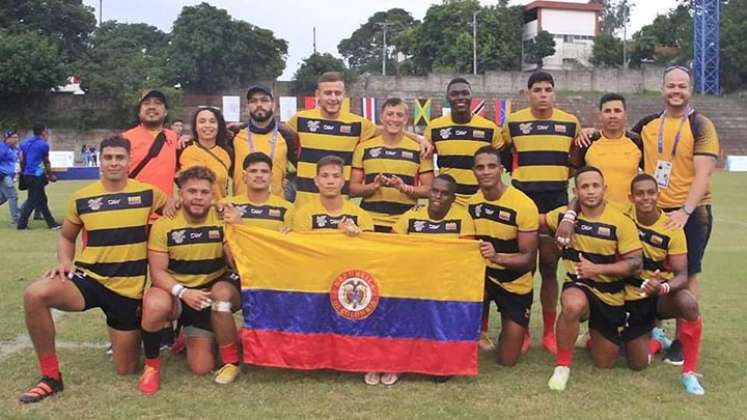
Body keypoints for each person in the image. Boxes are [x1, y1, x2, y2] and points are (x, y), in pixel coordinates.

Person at [18, 136, 166, 404]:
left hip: (127, 290)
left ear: (129, 161)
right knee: (35, 294)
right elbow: (66, 237)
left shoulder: (148, 193)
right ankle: (51, 377)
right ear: (100, 160)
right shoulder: (82, 198)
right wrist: (65, 261)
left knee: (125, 369)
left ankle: (147, 331)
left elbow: (177, 215)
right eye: (108, 157)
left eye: (119, 157)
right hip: (89, 279)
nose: (113, 162)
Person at [629, 66, 718, 365]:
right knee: (651, 270)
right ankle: (653, 330)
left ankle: (683, 339)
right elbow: (620, 143)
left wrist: (685, 211)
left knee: (688, 273)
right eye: (671, 86)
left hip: (691, 213)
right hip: (654, 213)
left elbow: (703, 173)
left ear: (690, 90)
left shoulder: (701, 125)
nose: (676, 91)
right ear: (663, 89)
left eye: (682, 86)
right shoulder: (648, 124)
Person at [138, 166, 238, 395]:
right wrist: (183, 292)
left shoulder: (223, 219)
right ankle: (151, 367)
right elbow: (158, 272)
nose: (198, 197)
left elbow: (235, 264)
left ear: (213, 196)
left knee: (202, 368)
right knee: (154, 304)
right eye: (192, 191)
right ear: (180, 194)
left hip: (206, 299)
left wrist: (235, 229)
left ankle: (194, 336)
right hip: (177, 295)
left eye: (204, 192)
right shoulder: (164, 224)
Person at [500, 71, 582, 354]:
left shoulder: (570, 124)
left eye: (548, 89)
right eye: (537, 89)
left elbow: (577, 162)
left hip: (556, 202)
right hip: (522, 202)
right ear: (528, 93)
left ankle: (549, 332)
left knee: (549, 267)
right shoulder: (512, 123)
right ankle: (520, 330)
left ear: (554, 93)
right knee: (523, 267)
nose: (543, 94)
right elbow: (500, 157)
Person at [542, 166, 642, 392]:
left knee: (605, 362)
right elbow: (529, 222)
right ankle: (562, 366)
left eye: (595, 186)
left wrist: (596, 269)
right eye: (584, 186)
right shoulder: (562, 216)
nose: (590, 191)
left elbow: (636, 264)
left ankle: (590, 338)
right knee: (572, 304)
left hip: (611, 296)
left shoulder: (621, 221)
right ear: (575, 191)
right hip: (580, 286)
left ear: (604, 189)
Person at [217, 152, 295, 385]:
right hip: (240, 275)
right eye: (254, 171)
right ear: (244, 176)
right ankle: (230, 362)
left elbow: (288, 251)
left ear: (272, 176)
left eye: (264, 171)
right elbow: (228, 251)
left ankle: (269, 345)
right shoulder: (230, 206)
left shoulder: (286, 209)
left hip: (274, 278)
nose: (259, 176)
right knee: (219, 298)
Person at [623, 173, 704, 395]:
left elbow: (682, 274)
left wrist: (663, 288)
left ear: (658, 195)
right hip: (629, 295)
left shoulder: (672, 227)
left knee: (688, 303)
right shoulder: (623, 217)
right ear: (631, 197)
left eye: (651, 193)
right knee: (637, 364)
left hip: (658, 296)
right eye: (640, 194)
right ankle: (655, 340)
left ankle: (689, 373)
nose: (645, 198)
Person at [467, 146, 539, 366]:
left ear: (501, 169)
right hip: (485, 279)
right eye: (480, 167)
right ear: (474, 172)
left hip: (515, 283)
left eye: (491, 166)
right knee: (461, 290)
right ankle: (473, 332)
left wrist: (497, 257)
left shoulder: (523, 205)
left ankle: (515, 327)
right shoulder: (472, 204)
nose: (486, 172)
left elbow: (528, 260)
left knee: (507, 360)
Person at [285, 72, 378, 207]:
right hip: (304, 208)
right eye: (328, 93)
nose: (333, 98)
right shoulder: (299, 120)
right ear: (317, 95)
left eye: (337, 93)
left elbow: (389, 131)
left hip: (339, 209)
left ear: (344, 95)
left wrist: (419, 138)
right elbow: (277, 138)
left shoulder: (358, 124)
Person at [350, 97, 434, 232]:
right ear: (381, 118)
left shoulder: (420, 149)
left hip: (405, 222)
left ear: (406, 119)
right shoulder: (363, 148)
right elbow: (352, 188)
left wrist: (404, 188)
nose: (394, 119)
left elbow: (429, 190)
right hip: (369, 221)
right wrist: (373, 186)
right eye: (390, 114)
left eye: (399, 115)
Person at [424, 78, 504, 206]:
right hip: (449, 203)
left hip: (481, 202)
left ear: (471, 96)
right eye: (454, 94)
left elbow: (501, 164)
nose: (460, 97)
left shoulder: (490, 128)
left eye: (465, 93)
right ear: (447, 98)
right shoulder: (434, 128)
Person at [569, 93, 642, 213]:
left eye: (617, 111)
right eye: (607, 111)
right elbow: (574, 178)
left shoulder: (637, 141)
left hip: (630, 215)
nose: (612, 115)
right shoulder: (587, 141)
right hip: (596, 215)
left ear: (625, 115)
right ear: (600, 115)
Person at [231, 84, 293, 199]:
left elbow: (303, 165)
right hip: (241, 208)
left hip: (275, 210)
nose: (259, 105)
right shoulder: (234, 134)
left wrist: (290, 182)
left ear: (273, 105)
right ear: (247, 107)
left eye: (264, 100)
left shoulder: (286, 135)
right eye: (253, 101)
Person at [292, 155, 373, 233]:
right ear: (316, 180)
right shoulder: (304, 214)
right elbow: (303, 245)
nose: (330, 181)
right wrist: (338, 233)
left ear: (343, 181)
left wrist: (357, 236)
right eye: (324, 176)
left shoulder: (361, 216)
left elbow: (369, 245)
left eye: (336, 176)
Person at [122, 89, 179, 198]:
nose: (152, 107)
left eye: (158, 103)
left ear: (166, 112)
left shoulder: (174, 138)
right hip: (135, 209)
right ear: (139, 112)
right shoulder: (124, 139)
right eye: (146, 103)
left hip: (165, 212)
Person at [392, 174, 474, 239]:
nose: (438, 196)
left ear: (453, 199)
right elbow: (392, 243)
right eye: (434, 191)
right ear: (429, 193)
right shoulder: (412, 215)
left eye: (444, 193)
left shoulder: (463, 218)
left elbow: (467, 251)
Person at [179, 107, 233, 200]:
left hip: (219, 211)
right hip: (194, 209)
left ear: (219, 126)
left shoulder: (226, 153)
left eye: (212, 121)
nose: (207, 125)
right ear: (195, 127)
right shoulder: (186, 151)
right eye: (202, 121)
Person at [16, 123, 60, 230]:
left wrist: (23, 172)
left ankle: (52, 223)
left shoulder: (25, 143)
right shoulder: (43, 145)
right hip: (36, 174)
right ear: (44, 132)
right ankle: (21, 224)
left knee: (42, 199)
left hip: (27, 174)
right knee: (33, 200)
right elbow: (46, 161)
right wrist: (50, 176)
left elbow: (22, 159)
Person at [0, 129, 21, 224]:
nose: (16, 139)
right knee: (13, 196)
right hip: (3, 175)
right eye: (14, 137)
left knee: (4, 197)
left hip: (9, 175)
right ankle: (16, 219)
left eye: (17, 137)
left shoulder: (14, 149)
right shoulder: (2, 148)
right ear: (7, 138)